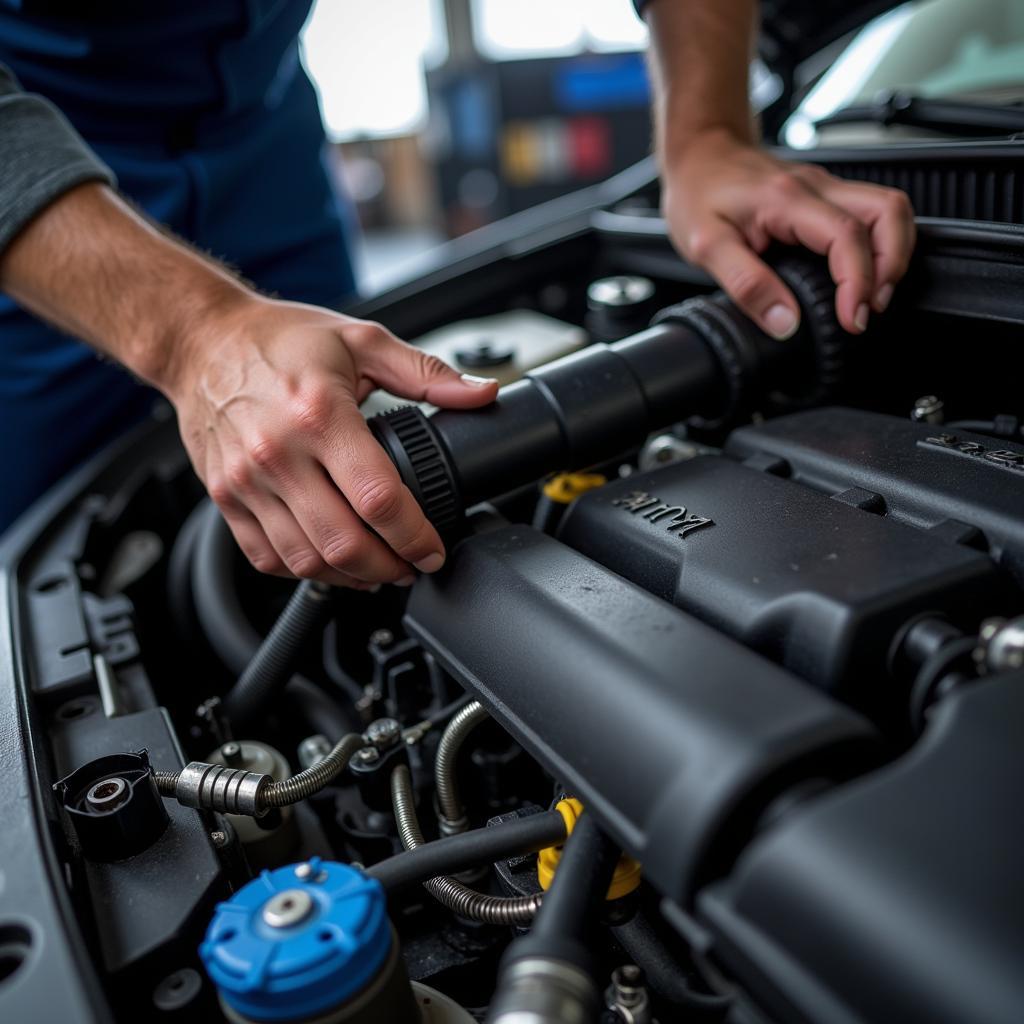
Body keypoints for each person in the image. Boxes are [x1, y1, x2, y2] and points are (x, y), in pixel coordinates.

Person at [0, 0, 915, 589]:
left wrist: (709, 132)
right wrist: (193, 333)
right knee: (51, 556)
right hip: (32, 199)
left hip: (255, 127)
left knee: (325, 468)